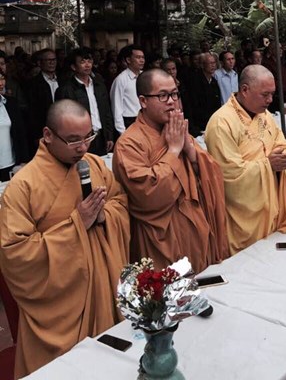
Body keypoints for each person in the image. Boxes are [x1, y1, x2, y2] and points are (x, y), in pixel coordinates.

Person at [0, 100, 129, 379]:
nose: (82, 147)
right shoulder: (23, 186)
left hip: (104, 287)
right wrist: (76, 225)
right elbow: (15, 254)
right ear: (48, 135)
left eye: (88, 137)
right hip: (61, 305)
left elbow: (120, 202)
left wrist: (104, 216)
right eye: (72, 140)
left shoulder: (95, 165)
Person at [113, 69, 227, 272]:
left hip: (196, 235)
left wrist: (191, 152)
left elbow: (211, 175)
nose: (172, 101)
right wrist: (173, 151)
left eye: (174, 94)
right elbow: (148, 195)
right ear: (143, 101)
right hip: (160, 241)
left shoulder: (176, 130)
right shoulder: (129, 144)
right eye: (163, 95)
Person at [205, 65, 286, 255]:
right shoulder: (221, 122)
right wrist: (268, 164)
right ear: (245, 90)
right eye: (265, 95)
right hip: (244, 216)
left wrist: (282, 158)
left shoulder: (264, 115)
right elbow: (230, 174)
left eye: (272, 94)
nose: (270, 100)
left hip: (271, 205)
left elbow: (280, 141)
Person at [55, 47, 114, 156]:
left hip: (101, 135)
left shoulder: (99, 85)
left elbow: (107, 112)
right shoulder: (65, 90)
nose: (87, 65)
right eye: (82, 62)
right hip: (81, 139)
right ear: (73, 67)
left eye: (89, 61)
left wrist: (109, 136)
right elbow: (63, 120)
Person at [0, 69, 29, 181]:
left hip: (11, 164)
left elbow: (21, 133)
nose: (1, 83)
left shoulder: (11, 103)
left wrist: (24, 160)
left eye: (2, 78)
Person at [27, 48, 59, 149]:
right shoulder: (33, 84)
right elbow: (32, 112)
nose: (52, 63)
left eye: (54, 60)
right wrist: (36, 135)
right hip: (43, 130)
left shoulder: (63, 80)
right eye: (48, 60)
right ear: (39, 63)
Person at [110, 45, 145, 135]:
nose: (142, 60)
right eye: (138, 57)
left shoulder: (145, 76)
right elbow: (116, 107)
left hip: (145, 119)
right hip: (129, 121)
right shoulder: (121, 80)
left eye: (143, 57)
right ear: (128, 60)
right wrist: (122, 131)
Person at [189, 52, 222, 136]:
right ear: (202, 65)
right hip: (199, 124)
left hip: (212, 122)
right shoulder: (194, 81)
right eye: (210, 63)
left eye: (214, 63)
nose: (213, 65)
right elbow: (192, 105)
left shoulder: (214, 81)